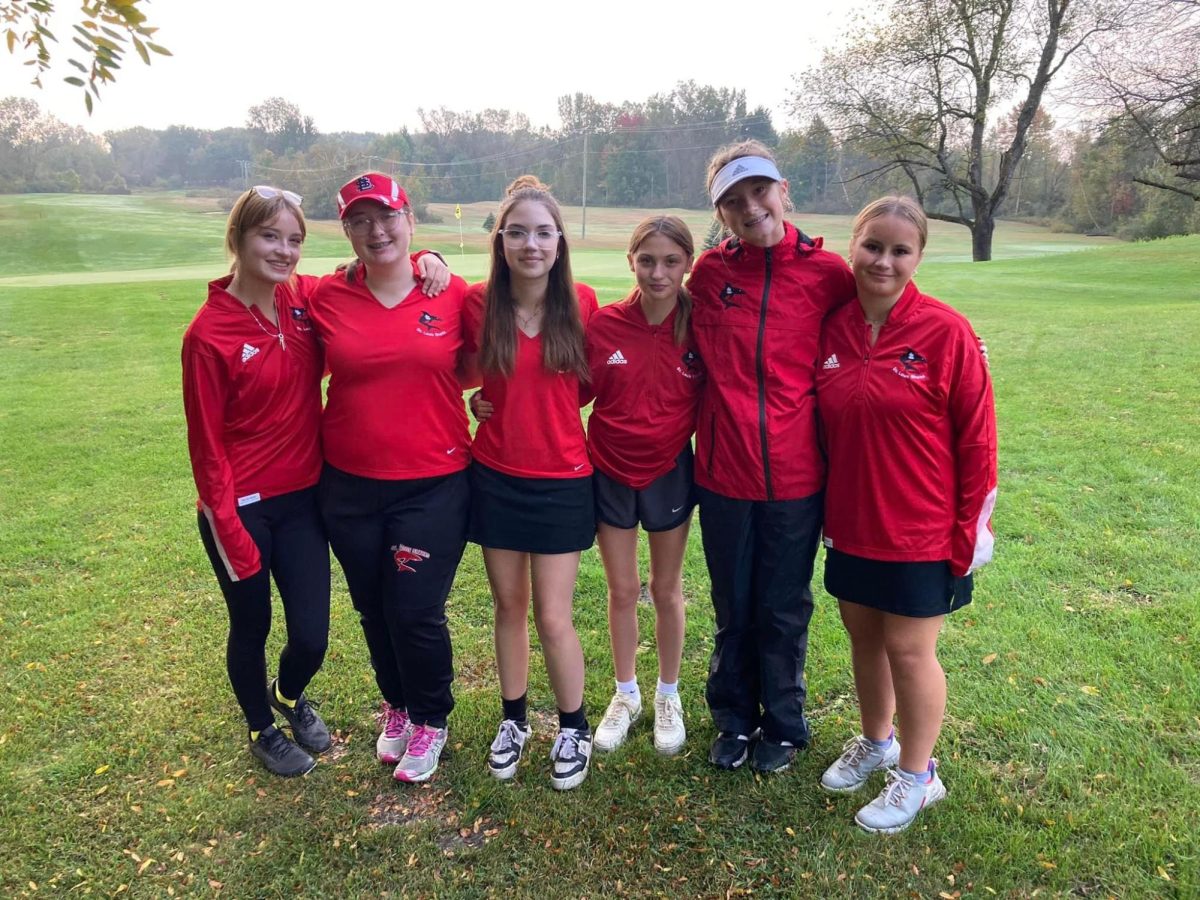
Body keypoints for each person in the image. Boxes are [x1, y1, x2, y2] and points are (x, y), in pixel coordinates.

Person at [815, 195, 997, 833]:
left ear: (918, 256)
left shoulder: (945, 332)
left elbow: (978, 441)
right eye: (873, 246)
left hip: (923, 528)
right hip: (852, 522)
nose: (883, 261)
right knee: (864, 638)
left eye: (900, 250)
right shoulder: (832, 329)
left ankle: (919, 777)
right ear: (853, 245)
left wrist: (972, 531)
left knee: (909, 650)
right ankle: (878, 740)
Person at [689, 140, 857, 773]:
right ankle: (733, 718)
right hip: (724, 474)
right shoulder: (709, 274)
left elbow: (885, 319)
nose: (750, 207)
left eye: (758, 192)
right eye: (733, 201)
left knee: (784, 605)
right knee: (733, 602)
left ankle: (783, 724)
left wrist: (960, 338)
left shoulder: (828, 273)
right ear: (722, 214)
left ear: (783, 190)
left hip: (796, 475)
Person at [308, 172, 467, 785]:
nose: (377, 231)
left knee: (415, 608)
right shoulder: (325, 296)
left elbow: (492, 357)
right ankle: (397, 706)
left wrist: (437, 260)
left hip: (433, 483)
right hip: (348, 484)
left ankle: (431, 716)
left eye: (387, 217)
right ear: (346, 231)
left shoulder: (452, 294)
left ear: (410, 219)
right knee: (373, 607)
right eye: (360, 221)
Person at [182, 185, 332, 777]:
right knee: (252, 623)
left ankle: (289, 695)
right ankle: (260, 726)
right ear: (239, 239)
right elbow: (207, 447)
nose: (285, 251)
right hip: (238, 508)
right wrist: (228, 524)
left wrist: (431, 260)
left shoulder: (300, 301)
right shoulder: (208, 334)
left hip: (302, 501)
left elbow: (359, 275)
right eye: (270, 236)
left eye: (295, 239)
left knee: (312, 636)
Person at [464, 175, 598, 791]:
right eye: (517, 232)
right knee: (508, 606)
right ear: (500, 241)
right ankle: (514, 719)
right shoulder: (475, 304)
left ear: (560, 241)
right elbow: (455, 365)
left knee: (553, 613)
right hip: (494, 475)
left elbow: (590, 385)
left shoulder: (585, 304)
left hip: (563, 479)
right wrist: (479, 404)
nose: (530, 244)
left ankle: (574, 726)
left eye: (543, 232)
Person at [584, 216, 704, 756]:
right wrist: (486, 398)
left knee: (666, 589)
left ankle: (667, 694)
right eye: (647, 260)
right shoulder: (605, 325)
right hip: (609, 468)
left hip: (670, 471)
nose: (658, 273)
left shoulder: (702, 327)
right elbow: (568, 392)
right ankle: (626, 692)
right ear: (630, 260)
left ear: (688, 265)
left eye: (671, 261)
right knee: (622, 590)